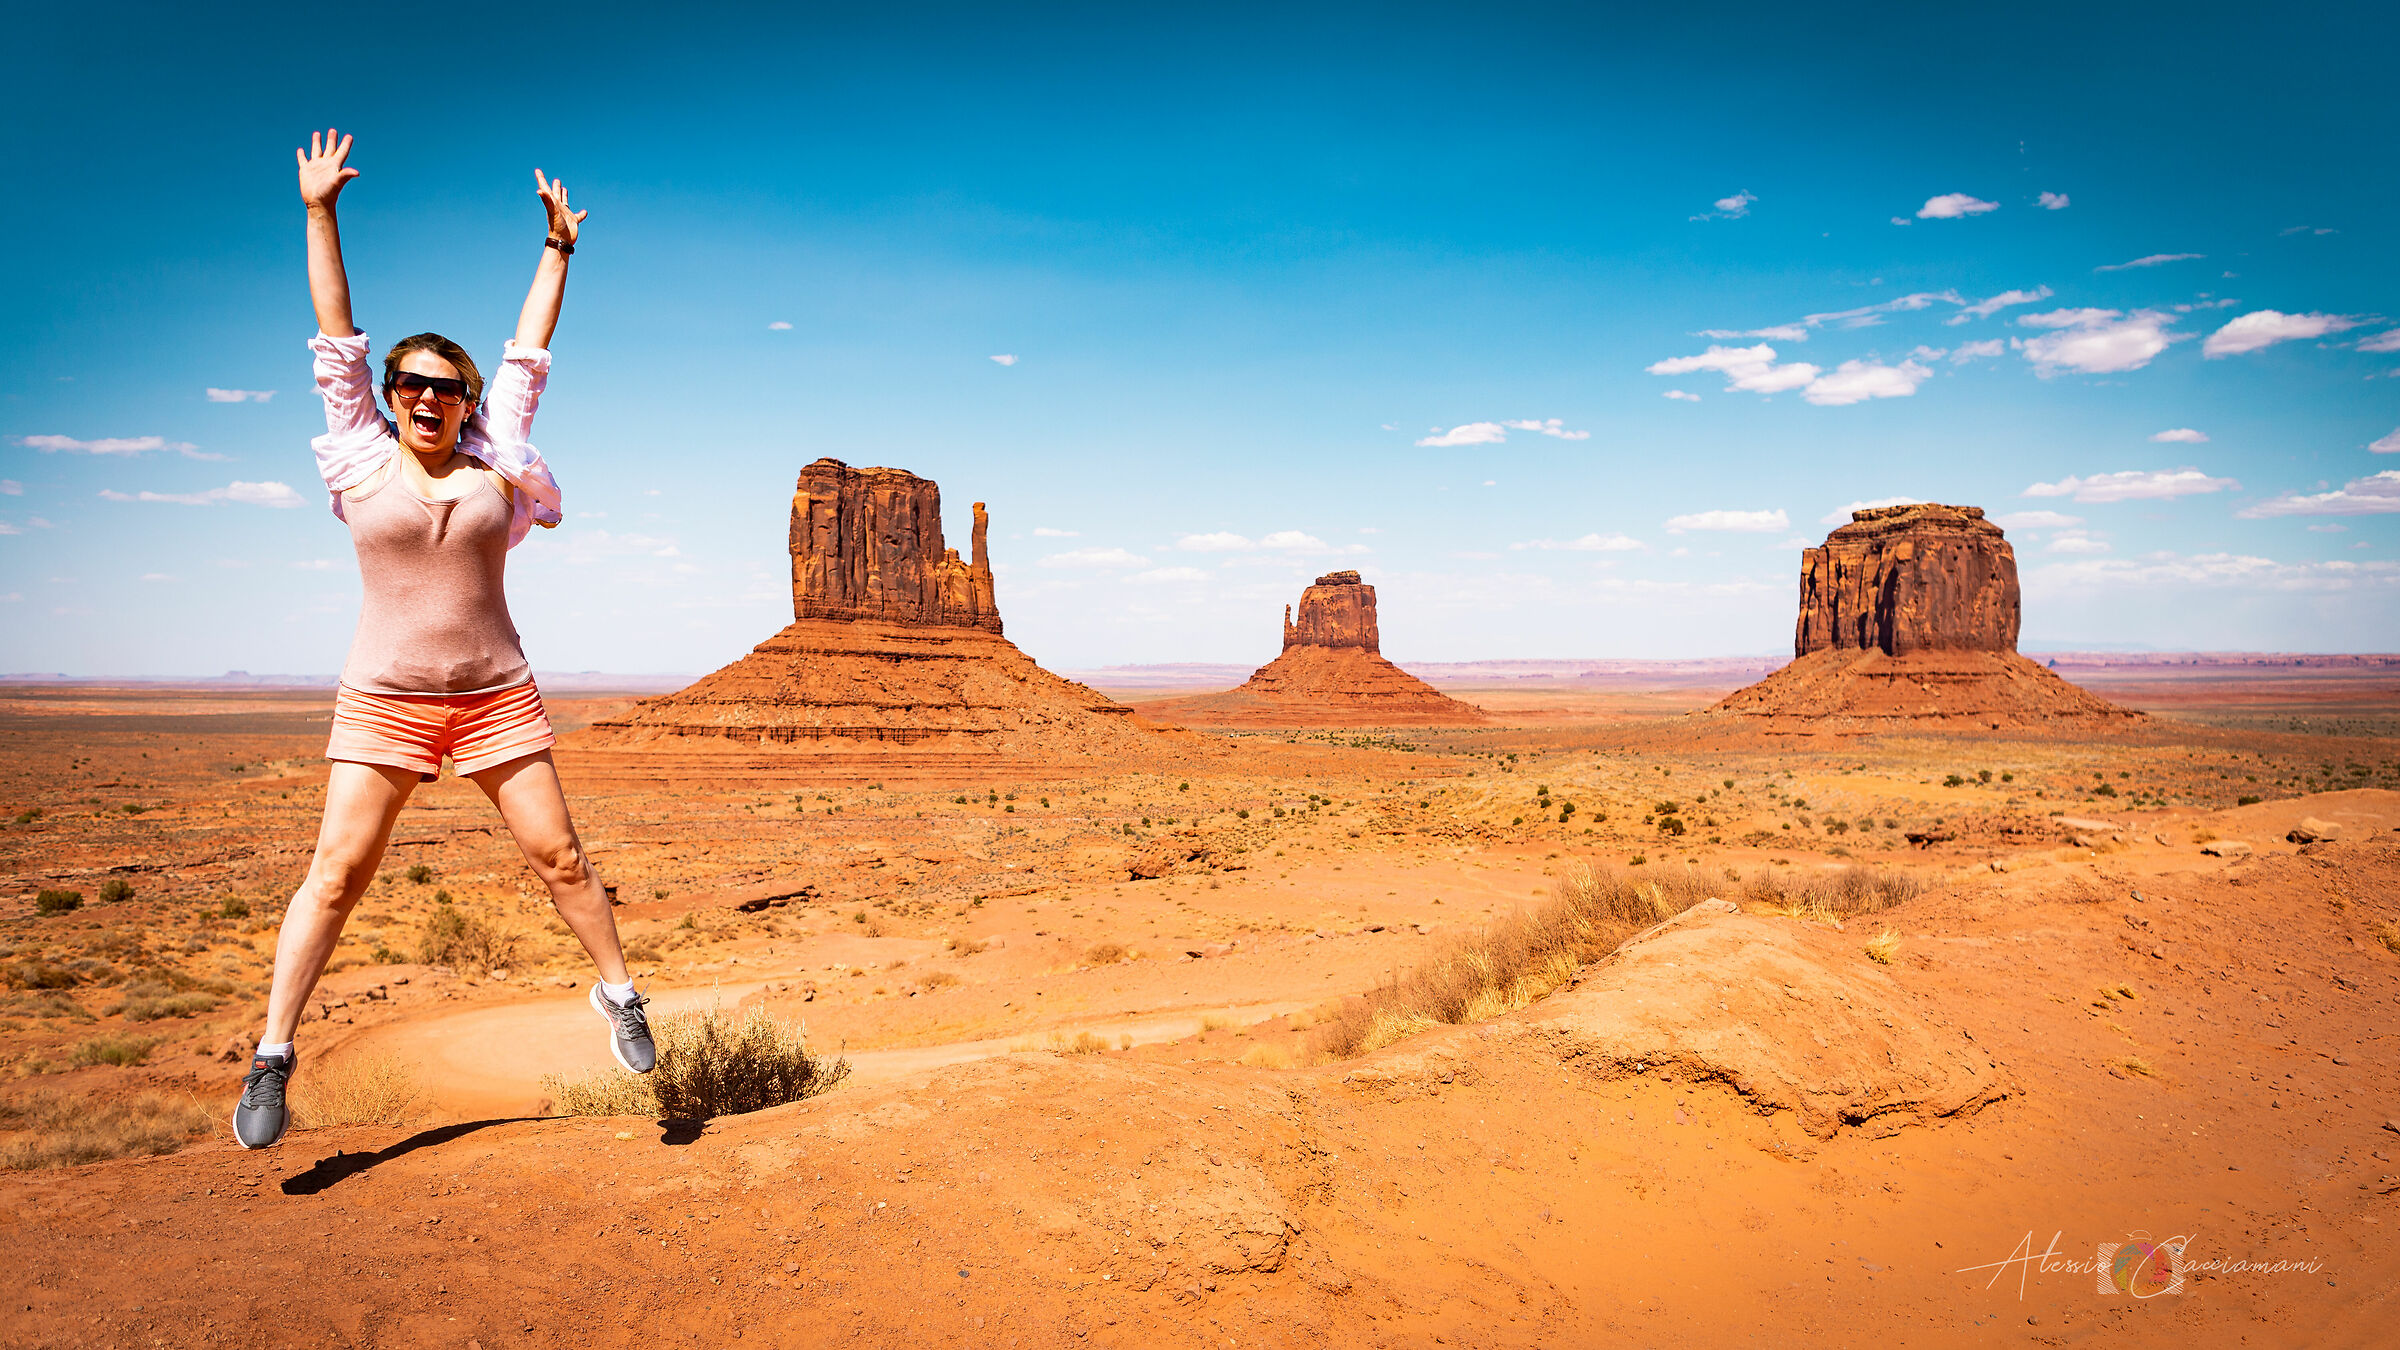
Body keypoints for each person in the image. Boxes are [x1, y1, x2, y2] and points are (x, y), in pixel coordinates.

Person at [234, 129, 653, 1149]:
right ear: (388, 396)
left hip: (494, 691)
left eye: (443, 387)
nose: (426, 396)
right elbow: (335, 336)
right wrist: (319, 211)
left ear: (463, 402)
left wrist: (558, 251)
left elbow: (528, 358)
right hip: (384, 694)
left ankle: (620, 995)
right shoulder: (358, 456)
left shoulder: (496, 458)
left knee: (559, 857)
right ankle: (273, 1056)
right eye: (409, 383)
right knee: (336, 874)